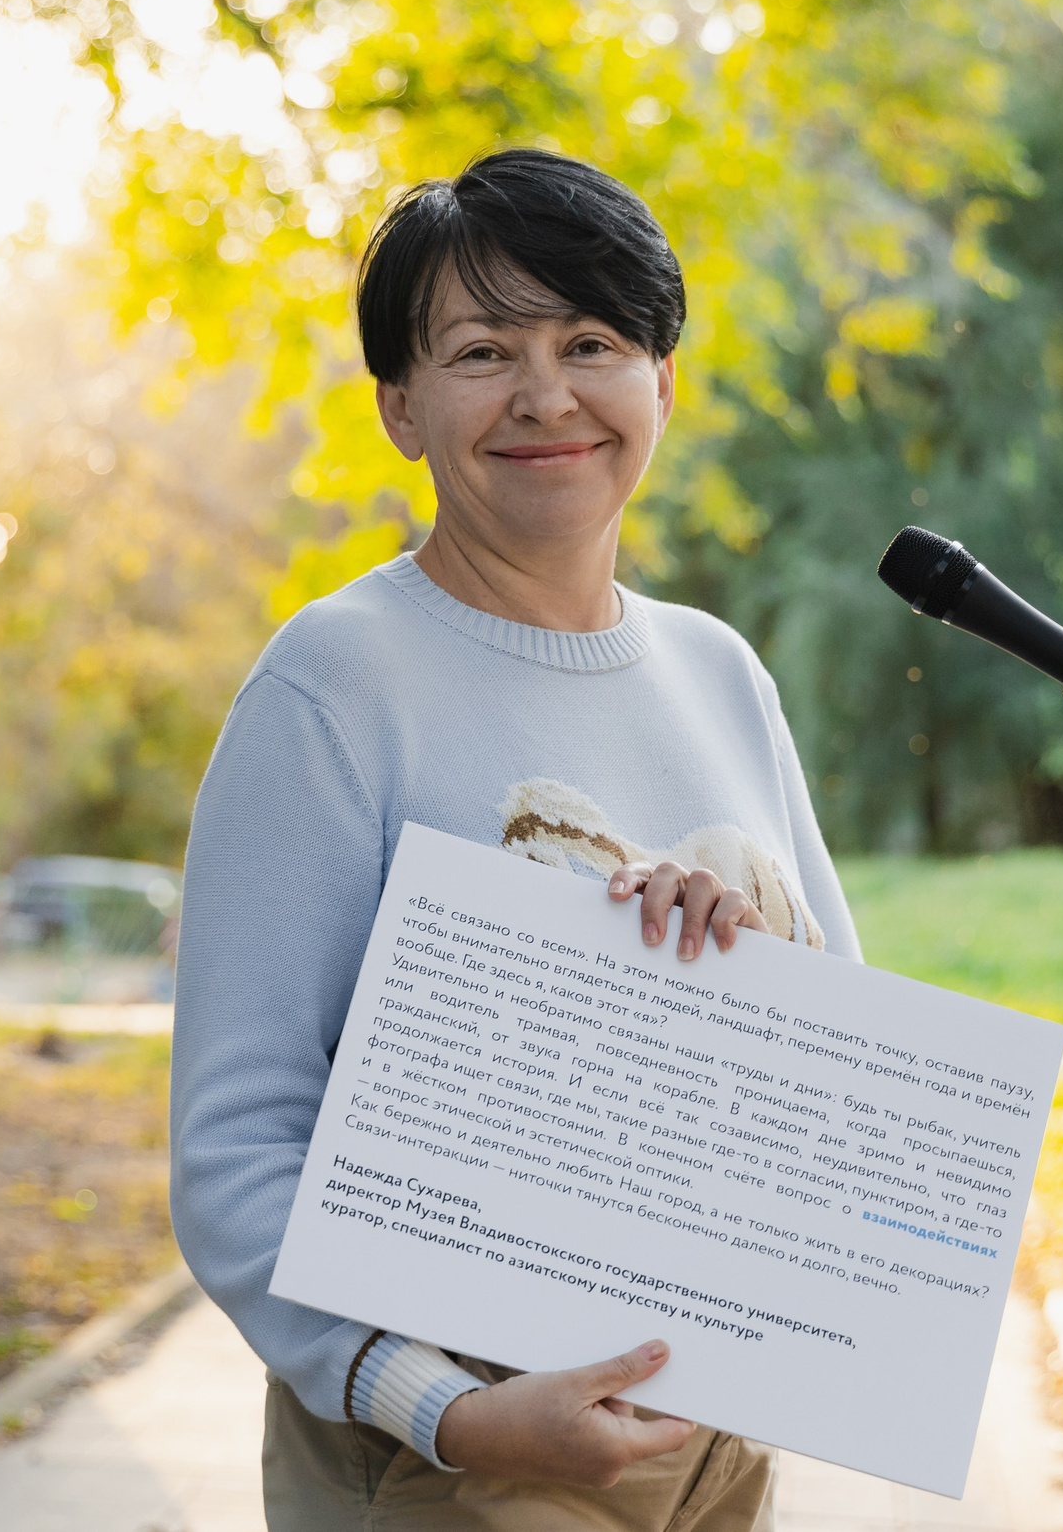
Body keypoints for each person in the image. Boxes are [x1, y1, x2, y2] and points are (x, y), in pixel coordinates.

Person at [171, 148, 862, 1529]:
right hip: (458, 1445)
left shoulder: (719, 671)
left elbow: (841, 1063)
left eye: (591, 343)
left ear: (663, 381)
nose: (547, 395)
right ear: (401, 406)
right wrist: (449, 1411)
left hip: (716, 1439)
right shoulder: (336, 683)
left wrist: (742, 968)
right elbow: (239, 1145)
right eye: (484, 352)